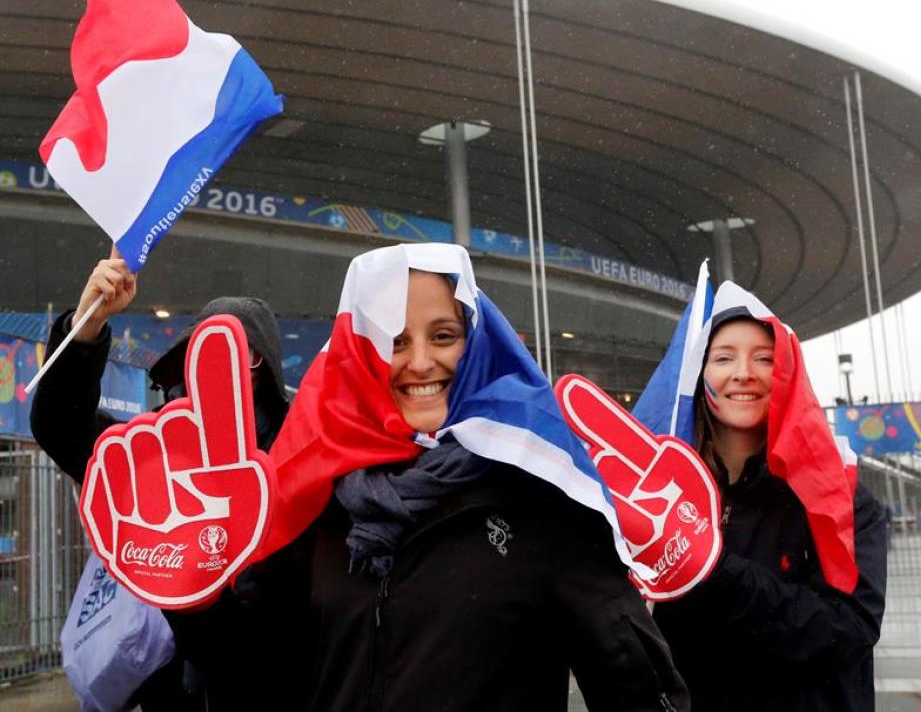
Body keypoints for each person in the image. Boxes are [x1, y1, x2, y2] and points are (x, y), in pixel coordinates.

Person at [253, 242, 689, 711]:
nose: (420, 362)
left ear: (477, 340)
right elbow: (260, 674)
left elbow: (636, 689)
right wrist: (197, 599)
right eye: (394, 341)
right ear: (362, 354)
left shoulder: (543, 491)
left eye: (442, 336)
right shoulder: (320, 497)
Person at [29, 249, 291, 711]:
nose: (225, 364)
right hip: (172, 692)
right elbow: (59, 428)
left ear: (264, 367)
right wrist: (86, 329)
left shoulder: (298, 461)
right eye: (206, 349)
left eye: (241, 351)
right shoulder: (152, 451)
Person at [649, 285, 888, 712]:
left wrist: (714, 568)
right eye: (723, 358)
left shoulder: (841, 497)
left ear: (787, 374)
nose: (744, 373)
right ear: (697, 375)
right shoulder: (659, 496)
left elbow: (847, 628)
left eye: (764, 357)